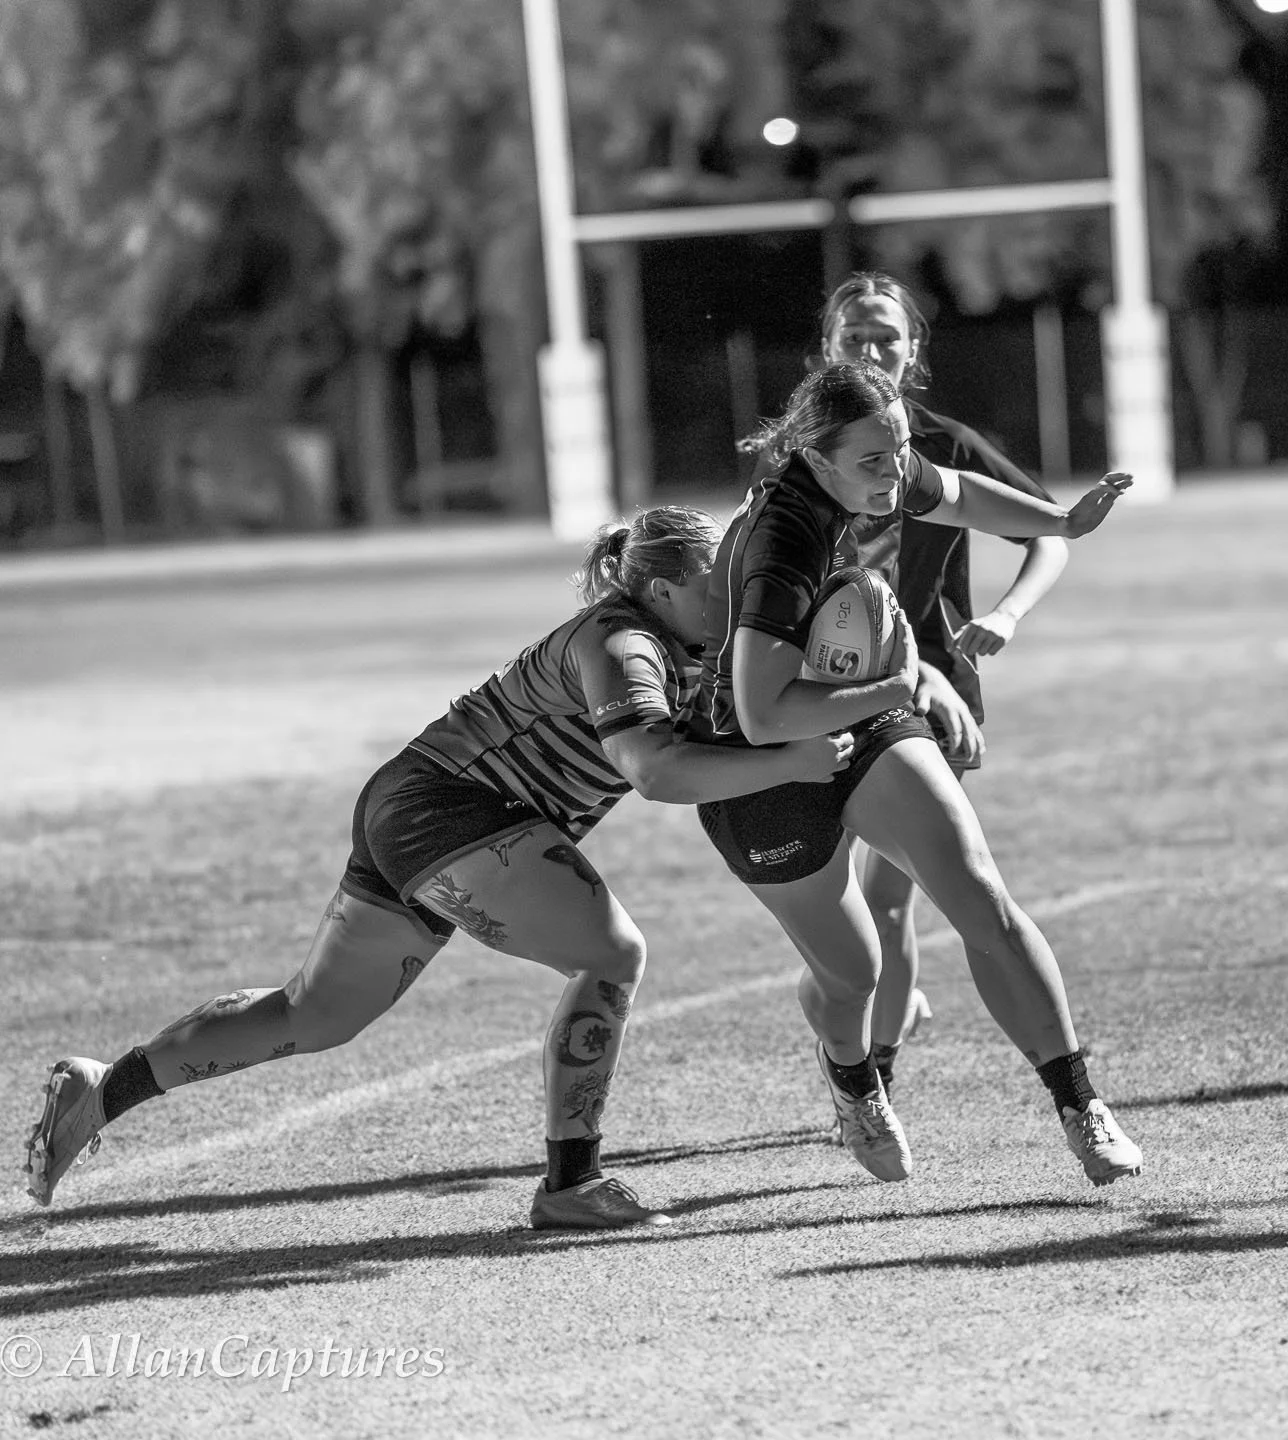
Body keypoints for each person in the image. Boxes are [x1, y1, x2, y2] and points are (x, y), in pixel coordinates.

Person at [22, 506, 853, 1229]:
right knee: (611, 955)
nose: (737, 593)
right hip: (450, 811)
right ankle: (574, 1183)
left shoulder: (689, 647)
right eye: (720, 578)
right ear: (665, 585)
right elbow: (656, 769)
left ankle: (102, 1089)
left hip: (418, 807)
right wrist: (794, 764)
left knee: (315, 1016)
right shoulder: (623, 641)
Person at [687, 358, 1141, 1187]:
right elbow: (763, 713)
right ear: (816, 458)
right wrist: (901, 681)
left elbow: (959, 493)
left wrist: (1062, 523)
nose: (895, 471)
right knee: (851, 972)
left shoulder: (877, 466)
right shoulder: (785, 536)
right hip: (757, 767)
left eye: (898, 449)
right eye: (873, 459)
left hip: (860, 716)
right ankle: (853, 1079)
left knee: (980, 895)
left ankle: (1081, 1103)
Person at [762, 272, 1072, 1103]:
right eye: (854, 338)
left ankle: (874, 1085)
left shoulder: (944, 447)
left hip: (930, 696)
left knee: (894, 901)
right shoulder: (794, 459)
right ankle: (872, 1033)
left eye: (887, 338)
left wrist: (1004, 614)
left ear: (914, 349)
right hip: (815, 697)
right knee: (837, 932)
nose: (872, 351)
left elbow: (1047, 531)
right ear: (825, 351)